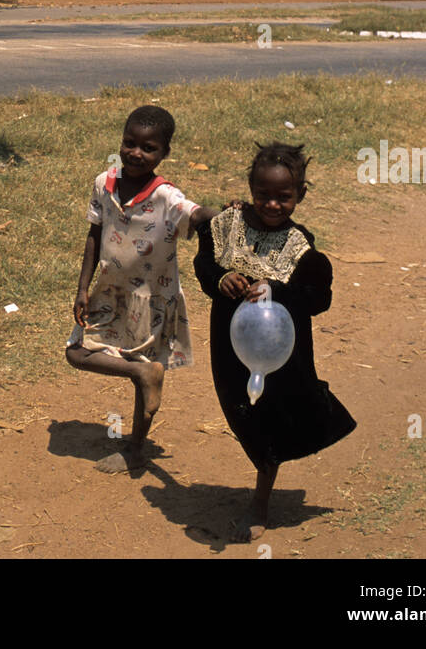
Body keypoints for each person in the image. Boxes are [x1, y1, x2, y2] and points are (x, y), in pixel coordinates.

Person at [194, 142, 356, 542]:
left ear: (300, 195)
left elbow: (319, 299)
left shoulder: (300, 247)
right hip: (229, 346)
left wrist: (276, 290)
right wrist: (220, 280)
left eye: (283, 197)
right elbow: (204, 265)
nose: (272, 205)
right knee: (240, 410)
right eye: (263, 195)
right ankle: (264, 464)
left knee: (271, 415)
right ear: (251, 189)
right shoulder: (227, 225)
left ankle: (261, 498)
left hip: (282, 353)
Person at [66, 105, 219, 474]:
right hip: (108, 292)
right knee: (77, 352)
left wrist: (224, 214)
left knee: (143, 365)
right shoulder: (104, 183)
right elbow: (94, 234)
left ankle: (135, 448)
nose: (136, 153)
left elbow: (195, 214)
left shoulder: (167, 196)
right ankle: (140, 376)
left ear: (164, 153)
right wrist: (82, 288)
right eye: (129, 143)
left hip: (152, 300)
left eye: (148, 148)